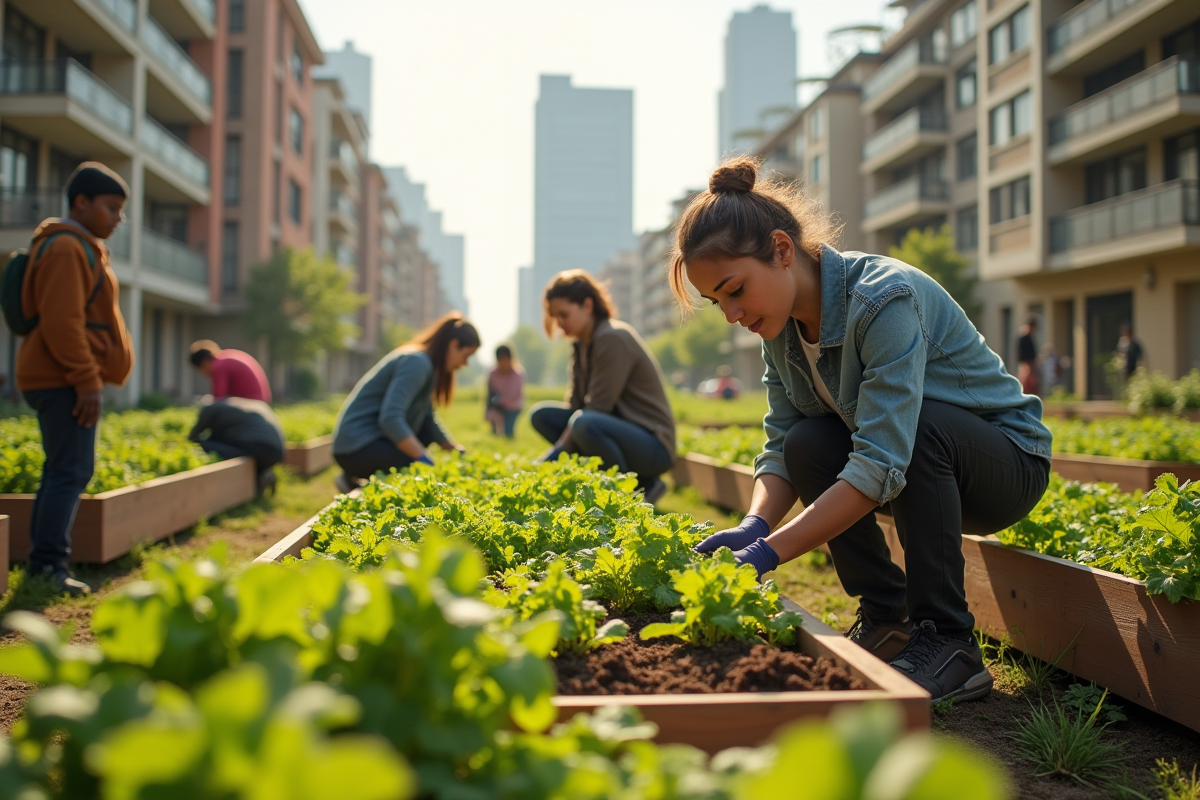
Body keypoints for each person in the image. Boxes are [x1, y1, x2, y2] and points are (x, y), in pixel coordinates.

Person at [673, 159, 1051, 703]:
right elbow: (782, 445)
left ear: (782, 250)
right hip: (919, 472)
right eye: (717, 303)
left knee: (918, 429)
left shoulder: (881, 300)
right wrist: (755, 525)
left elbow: (881, 460)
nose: (731, 314)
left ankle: (949, 639)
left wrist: (770, 554)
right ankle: (884, 614)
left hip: (1004, 465)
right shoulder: (776, 330)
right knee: (808, 442)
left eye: (735, 290)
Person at [15, 162, 134, 595]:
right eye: (111, 208)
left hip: (59, 376)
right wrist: (86, 381)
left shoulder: (78, 245)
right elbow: (61, 323)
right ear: (80, 203)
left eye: (122, 210)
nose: (118, 218)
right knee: (69, 470)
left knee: (63, 469)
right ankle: (47, 565)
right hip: (61, 378)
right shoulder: (67, 247)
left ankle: (45, 563)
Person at [529, 270, 675, 505]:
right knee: (542, 416)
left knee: (584, 424)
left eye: (564, 314)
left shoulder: (612, 337)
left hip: (653, 446)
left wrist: (554, 456)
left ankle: (633, 490)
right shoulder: (581, 343)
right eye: (556, 317)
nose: (559, 324)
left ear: (587, 305)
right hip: (615, 429)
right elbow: (576, 405)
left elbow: (596, 408)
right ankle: (621, 483)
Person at [332, 313, 478, 494]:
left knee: (422, 444)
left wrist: (453, 448)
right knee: (419, 474)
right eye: (466, 355)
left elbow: (426, 419)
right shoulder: (417, 362)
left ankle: (352, 480)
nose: (465, 364)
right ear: (454, 344)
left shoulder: (426, 365)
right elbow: (390, 418)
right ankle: (352, 479)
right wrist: (422, 459)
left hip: (365, 443)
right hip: (356, 446)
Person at [188, 397, 285, 496]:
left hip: (260, 447)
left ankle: (258, 480)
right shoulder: (234, 406)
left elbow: (192, 439)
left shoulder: (209, 409)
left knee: (201, 445)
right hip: (276, 451)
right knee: (233, 448)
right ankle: (261, 474)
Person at [188, 340, 272, 403]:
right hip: (261, 402)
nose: (203, 374)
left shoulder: (219, 366)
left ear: (204, 362)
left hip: (251, 404)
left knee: (209, 410)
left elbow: (219, 398)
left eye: (201, 369)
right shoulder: (226, 356)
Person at [485, 344, 526, 438]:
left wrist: (499, 401)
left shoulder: (518, 374)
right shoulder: (492, 373)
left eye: (505, 359)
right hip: (496, 406)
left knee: (508, 432)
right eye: (500, 360)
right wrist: (488, 411)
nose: (503, 363)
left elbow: (514, 394)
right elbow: (489, 393)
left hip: (513, 406)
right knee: (494, 432)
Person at [1015, 316, 1040, 397]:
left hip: (1030, 363)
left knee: (1032, 383)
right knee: (1026, 382)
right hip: (1026, 363)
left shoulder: (1030, 337)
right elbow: (1022, 353)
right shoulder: (1023, 337)